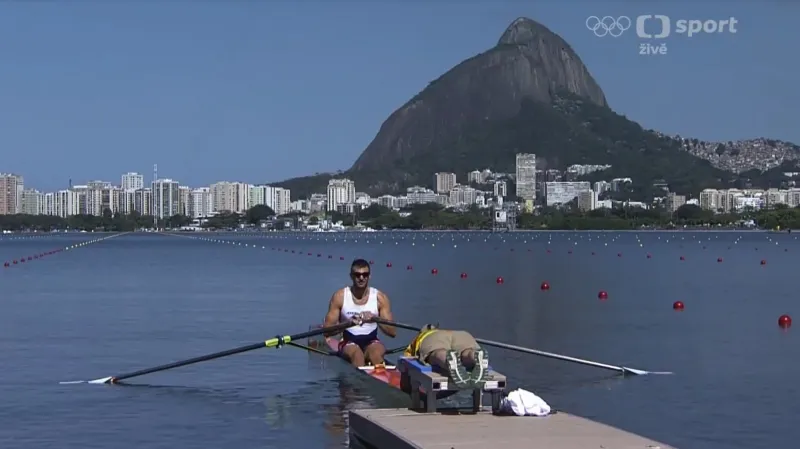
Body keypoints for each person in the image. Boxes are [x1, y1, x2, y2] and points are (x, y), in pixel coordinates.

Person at [323, 258, 396, 367]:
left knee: (376, 354)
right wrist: (349, 323)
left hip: (371, 340)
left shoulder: (380, 298)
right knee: (357, 356)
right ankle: (360, 381)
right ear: (351, 276)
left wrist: (376, 319)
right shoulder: (340, 297)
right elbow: (326, 331)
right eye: (357, 275)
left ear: (369, 276)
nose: (361, 278)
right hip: (348, 341)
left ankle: (379, 377)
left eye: (365, 274)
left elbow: (392, 332)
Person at [403, 324, 489, 388]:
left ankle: (447, 359)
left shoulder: (422, 337)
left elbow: (406, 362)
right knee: (465, 353)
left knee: (437, 352)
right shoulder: (444, 331)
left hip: (433, 337)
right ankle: (474, 355)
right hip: (462, 335)